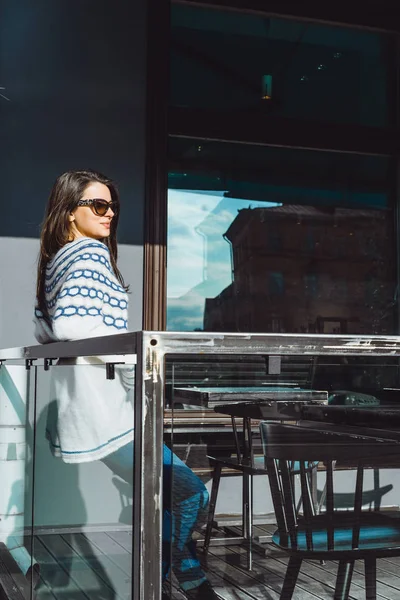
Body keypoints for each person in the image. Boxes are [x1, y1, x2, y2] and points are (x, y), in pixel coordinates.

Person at [34, 169, 218, 600]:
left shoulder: (56, 258)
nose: (110, 213)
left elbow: (43, 329)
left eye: (112, 205)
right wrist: (140, 375)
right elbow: (68, 324)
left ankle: (194, 588)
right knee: (189, 496)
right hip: (109, 412)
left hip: (83, 414)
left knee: (167, 501)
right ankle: (150, 586)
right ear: (69, 211)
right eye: (98, 205)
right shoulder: (90, 255)